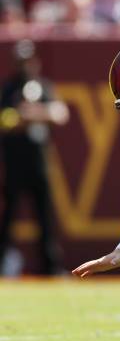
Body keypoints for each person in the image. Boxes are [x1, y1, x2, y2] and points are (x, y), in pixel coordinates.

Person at [0, 39, 69, 275]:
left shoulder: (43, 86)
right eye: (21, 62)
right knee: (8, 219)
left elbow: (60, 113)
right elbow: (4, 120)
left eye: (28, 61)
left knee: (45, 219)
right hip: (14, 164)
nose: (25, 66)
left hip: (39, 164)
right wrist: (17, 118)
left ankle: (51, 268)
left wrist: (34, 113)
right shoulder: (8, 89)